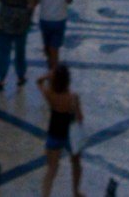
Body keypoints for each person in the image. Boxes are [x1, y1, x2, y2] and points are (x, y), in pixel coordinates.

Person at [39, 59, 86, 195]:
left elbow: (38, 82)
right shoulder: (73, 97)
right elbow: (80, 118)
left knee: (51, 169)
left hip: (54, 134)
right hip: (70, 136)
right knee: (76, 164)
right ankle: (76, 191)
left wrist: (47, 75)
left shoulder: (49, 94)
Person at [37, 0, 74, 73]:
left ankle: (50, 64)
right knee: (55, 48)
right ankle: (54, 69)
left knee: (47, 45)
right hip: (59, 20)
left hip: (45, 19)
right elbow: (69, 0)